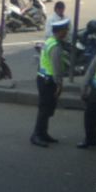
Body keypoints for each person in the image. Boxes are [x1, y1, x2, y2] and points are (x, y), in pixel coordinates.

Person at [31, 18, 69, 147]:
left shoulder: (50, 41)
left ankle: (43, 133)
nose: (67, 32)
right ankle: (36, 135)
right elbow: (57, 67)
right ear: (60, 31)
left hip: (43, 79)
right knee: (45, 109)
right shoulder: (55, 46)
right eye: (65, 30)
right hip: (49, 81)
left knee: (46, 108)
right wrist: (59, 84)